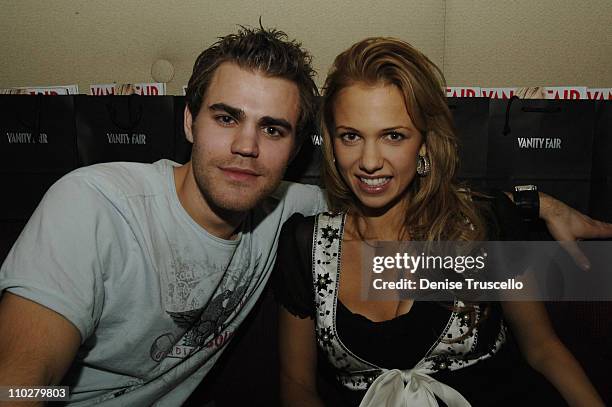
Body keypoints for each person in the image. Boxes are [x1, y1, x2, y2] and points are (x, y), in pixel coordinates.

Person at [0, 27, 609, 406]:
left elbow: (419, 198)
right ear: (187, 121)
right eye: (225, 117)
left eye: (272, 128)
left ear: (295, 148)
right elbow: (21, 384)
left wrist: (536, 203)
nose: (246, 147)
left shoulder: (287, 212)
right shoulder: (94, 205)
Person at [274, 37, 605, 406]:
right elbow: (296, 385)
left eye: (393, 136)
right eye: (351, 136)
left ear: (425, 143)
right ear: (332, 144)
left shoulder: (483, 225)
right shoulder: (305, 244)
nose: (369, 161)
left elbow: (543, 348)